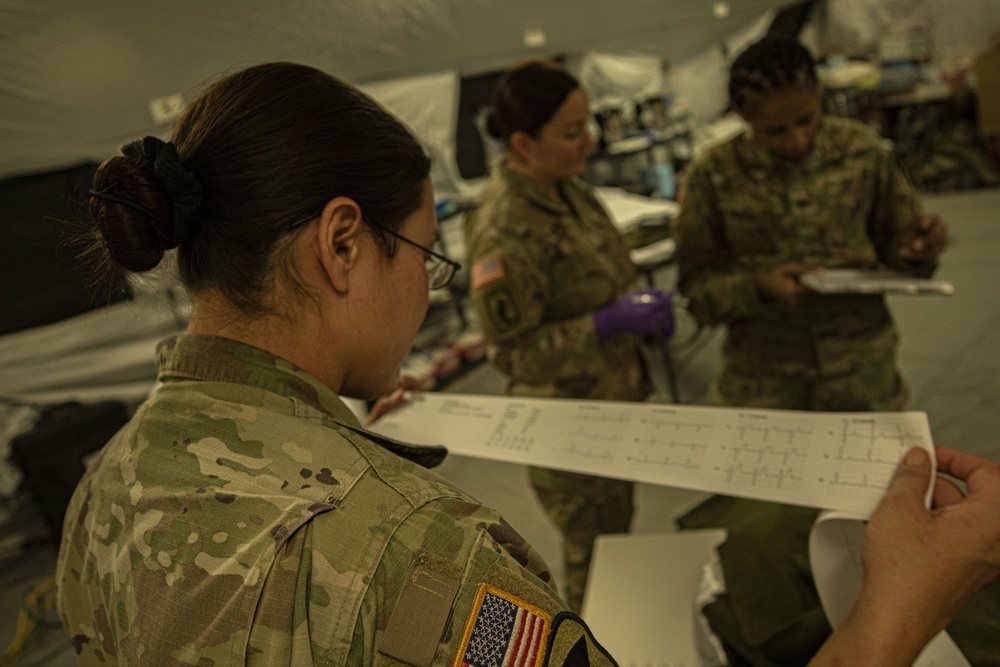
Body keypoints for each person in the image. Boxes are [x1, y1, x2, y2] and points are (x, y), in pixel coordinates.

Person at [52, 60, 1000, 667]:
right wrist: (901, 608)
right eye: (423, 254)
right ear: (342, 245)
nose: (429, 287)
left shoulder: (110, 481)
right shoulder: (418, 554)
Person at [672, 35, 962, 663]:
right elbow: (695, 289)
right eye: (775, 131)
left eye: (806, 120)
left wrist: (918, 249)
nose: (797, 140)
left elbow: (900, 244)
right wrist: (758, 288)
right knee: (765, 536)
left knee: (875, 523)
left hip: (860, 373)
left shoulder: (863, 153)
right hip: (764, 384)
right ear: (743, 121)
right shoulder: (714, 178)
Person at [462, 59, 673, 612]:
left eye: (589, 125)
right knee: (594, 557)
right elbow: (512, 353)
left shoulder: (569, 190)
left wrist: (637, 310)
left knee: (617, 534)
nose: (592, 140)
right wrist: (603, 325)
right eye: (573, 130)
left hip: (612, 405)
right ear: (524, 144)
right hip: (569, 429)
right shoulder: (503, 229)